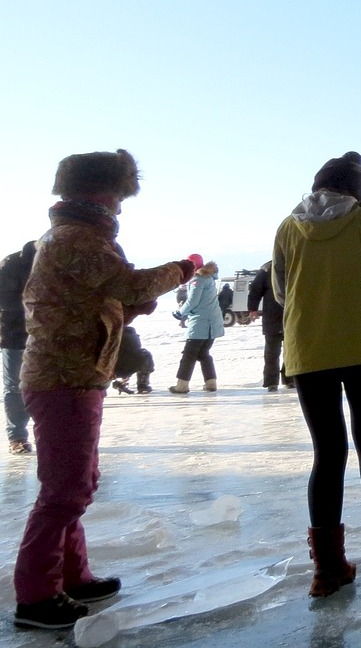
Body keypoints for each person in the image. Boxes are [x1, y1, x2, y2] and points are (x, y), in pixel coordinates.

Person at [14, 149, 193, 629]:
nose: (120, 205)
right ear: (105, 191)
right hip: (64, 377)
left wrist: (125, 308)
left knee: (77, 484)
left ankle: (72, 577)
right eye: (119, 194)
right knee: (64, 490)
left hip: (74, 373)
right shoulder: (79, 238)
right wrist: (184, 268)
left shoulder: (74, 235)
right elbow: (128, 284)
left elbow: (94, 299)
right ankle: (35, 596)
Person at [272, 151, 361, 597]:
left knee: (327, 452)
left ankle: (327, 569)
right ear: (357, 187)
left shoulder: (288, 228)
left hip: (307, 350)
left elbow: (279, 289)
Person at [0, 240, 37, 454]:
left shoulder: (56, 263)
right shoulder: (10, 264)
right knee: (15, 385)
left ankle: (52, 436)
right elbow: (4, 301)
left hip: (47, 333)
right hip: (14, 333)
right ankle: (17, 437)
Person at [168, 255, 223, 393]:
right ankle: (211, 383)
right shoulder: (209, 278)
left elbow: (193, 301)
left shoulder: (197, 280)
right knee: (203, 353)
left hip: (201, 323)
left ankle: (182, 385)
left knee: (189, 355)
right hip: (212, 322)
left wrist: (180, 312)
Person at [248, 260, 290, 391]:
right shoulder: (267, 269)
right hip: (273, 315)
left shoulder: (295, 263)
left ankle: (290, 378)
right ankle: (271, 382)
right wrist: (252, 308)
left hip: (291, 315)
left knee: (291, 351)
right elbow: (255, 289)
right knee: (272, 352)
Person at [111, 326, 154, 395]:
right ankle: (143, 384)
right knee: (145, 355)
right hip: (127, 366)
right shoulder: (132, 334)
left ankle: (121, 382)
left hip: (107, 368)